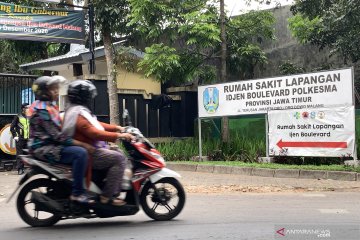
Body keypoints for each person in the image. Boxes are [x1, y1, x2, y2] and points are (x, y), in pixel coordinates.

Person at [62, 80, 134, 206]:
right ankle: (107, 196)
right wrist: (119, 135)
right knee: (119, 158)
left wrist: (117, 127)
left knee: (117, 151)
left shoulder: (77, 110)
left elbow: (96, 124)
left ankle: (112, 187)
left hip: (91, 148)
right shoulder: (77, 114)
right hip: (90, 152)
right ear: (83, 97)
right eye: (88, 95)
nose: (90, 98)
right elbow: (94, 133)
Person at [28, 76, 95, 204]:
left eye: (56, 89)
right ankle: (77, 193)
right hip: (43, 148)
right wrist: (83, 144)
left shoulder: (48, 106)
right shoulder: (42, 111)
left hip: (49, 145)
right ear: (43, 92)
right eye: (53, 90)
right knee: (80, 153)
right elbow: (58, 137)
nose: (57, 92)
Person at [10, 103, 30, 175]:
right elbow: (12, 127)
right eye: (27, 107)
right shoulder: (18, 116)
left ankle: (28, 168)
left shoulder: (29, 117)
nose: (28, 109)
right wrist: (15, 136)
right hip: (20, 138)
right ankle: (20, 169)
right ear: (23, 109)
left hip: (28, 138)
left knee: (28, 154)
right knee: (20, 154)